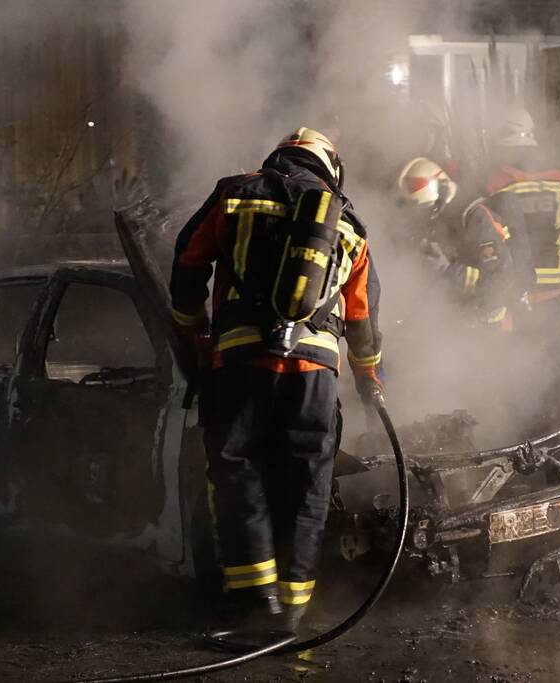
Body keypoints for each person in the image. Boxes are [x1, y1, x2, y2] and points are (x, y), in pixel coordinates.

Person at [168, 127, 384, 634]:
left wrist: (194, 335)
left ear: (278, 157)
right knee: (309, 481)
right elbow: (363, 316)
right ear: (330, 167)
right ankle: (293, 607)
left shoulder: (234, 193)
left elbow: (187, 265)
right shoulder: (348, 221)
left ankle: (253, 599)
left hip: (241, 362)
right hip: (315, 374)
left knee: (236, 468)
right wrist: (369, 378)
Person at [395, 156, 535, 331]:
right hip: (460, 319)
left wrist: (448, 269)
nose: (425, 216)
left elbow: (500, 281)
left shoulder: (477, 219)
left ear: (441, 196)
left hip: (489, 325)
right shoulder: (443, 216)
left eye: (429, 209)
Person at [483, 107, 560, 312]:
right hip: (553, 289)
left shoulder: (496, 188)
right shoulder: (558, 188)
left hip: (514, 290)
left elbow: (488, 239)